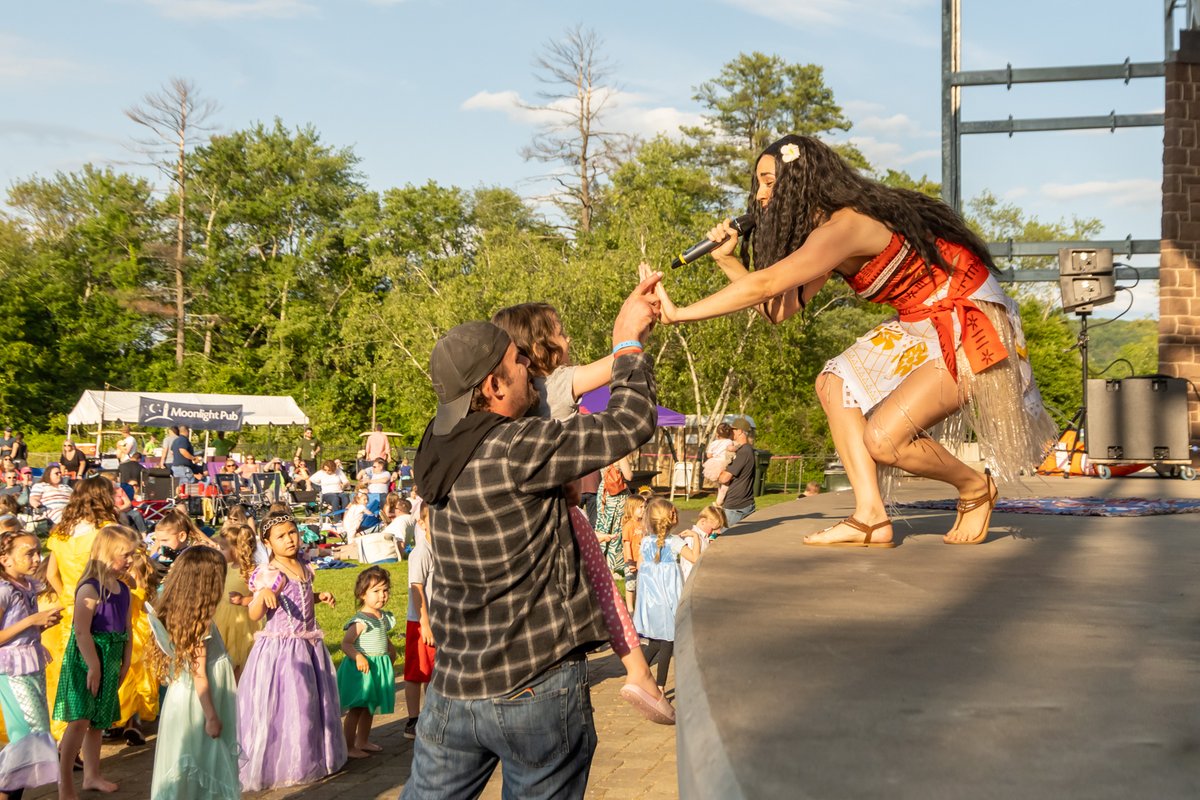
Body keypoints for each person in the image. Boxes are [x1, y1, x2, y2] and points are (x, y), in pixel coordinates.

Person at [652, 134, 1056, 547]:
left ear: (800, 180)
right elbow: (778, 309)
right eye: (759, 184)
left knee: (883, 440)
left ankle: (975, 488)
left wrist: (681, 313)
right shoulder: (827, 233)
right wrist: (727, 260)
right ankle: (871, 517)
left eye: (769, 182)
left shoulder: (845, 227)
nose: (760, 195)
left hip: (964, 322)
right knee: (834, 383)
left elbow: (767, 284)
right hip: (921, 321)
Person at [402, 271, 661, 799]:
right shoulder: (518, 448)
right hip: (533, 686)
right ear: (493, 387)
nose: (535, 373)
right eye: (521, 364)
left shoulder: (434, 447)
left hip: (453, 690)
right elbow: (630, 421)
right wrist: (628, 341)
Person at [492, 301, 673, 724]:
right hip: (564, 512)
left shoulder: (506, 399)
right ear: (540, 343)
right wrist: (635, 328)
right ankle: (639, 673)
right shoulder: (559, 382)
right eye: (560, 330)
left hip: (525, 515)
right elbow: (618, 363)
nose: (568, 339)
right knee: (606, 589)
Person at [236, 511, 346, 791]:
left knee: (313, 702)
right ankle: (289, 761)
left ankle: (314, 755)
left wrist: (318, 597)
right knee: (294, 703)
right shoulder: (270, 573)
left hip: (308, 643)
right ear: (268, 542)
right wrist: (262, 596)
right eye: (281, 536)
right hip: (283, 648)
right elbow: (253, 613)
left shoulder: (303, 566)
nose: (289, 539)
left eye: (292, 533)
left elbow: (302, 596)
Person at [147, 545, 240, 800]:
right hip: (201, 703)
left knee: (187, 759)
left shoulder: (180, 613)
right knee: (204, 760)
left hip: (183, 697)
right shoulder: (200, 623)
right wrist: (211, 716)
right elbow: (200, 675)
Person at [53, 526, 137, 800]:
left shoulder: (123, 588)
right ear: (107, 553)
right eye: (126, 555)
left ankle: (92, 775)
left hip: (111, 656)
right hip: (87, 658)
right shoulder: (89, 588)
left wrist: (125, 661)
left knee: (98, 722)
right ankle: (64, 783)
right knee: (79, 720)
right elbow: (81, 631)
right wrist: (94, 665)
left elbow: (127, 626)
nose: (130, 560)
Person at [41, 476, 119, 742]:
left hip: (70, 609)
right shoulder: (106, 530)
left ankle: (64, 732)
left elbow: (51, 573)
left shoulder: (60, 531)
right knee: (95, 673)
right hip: (99, 608)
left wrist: (67, 598)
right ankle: (82, 739)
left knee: (69, 674)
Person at [0, 529, 63, 798]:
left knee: (35, 734)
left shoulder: (26, 586)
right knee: (27, 735)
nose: (37, 558)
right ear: (6, 559)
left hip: (31, 664)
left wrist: (42, 626)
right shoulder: (3, 590)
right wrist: (30, 622)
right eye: (29, 553)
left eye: (39, 552)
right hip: (12, 670)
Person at [337, 566, 398, 758]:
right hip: (362, 669)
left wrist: (390, 648)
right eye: (376, 591)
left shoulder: (382, 617)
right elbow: (346, 644)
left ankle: (362, 740)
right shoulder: (361, 620)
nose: (382, 595)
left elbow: (382, 636)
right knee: (357, 708)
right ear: (363, 594)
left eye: (385, 590)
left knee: (369, 707)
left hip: (377, 667)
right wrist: (358, 657)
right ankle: (348, 746)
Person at [632, 498, 690, 691]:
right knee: (668, 641)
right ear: (672, 518)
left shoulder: (646, 542)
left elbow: (640, 566)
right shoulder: (675, 542)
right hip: (668, 601)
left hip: (651, 600)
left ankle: (637, 676)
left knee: (656, 642)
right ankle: (660, 687)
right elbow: (697, 559)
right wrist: (696, 540)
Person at [113, 535, 159, 747]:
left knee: (130, 679)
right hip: (141, 631)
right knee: (140, 679)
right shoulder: (142, 587)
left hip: (130, 633)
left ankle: (126, 721)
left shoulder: (124, 585)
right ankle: (133, 723)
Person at [211, 525, 261, 678]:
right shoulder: (225, 567)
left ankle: (238, 692)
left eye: (222, 548)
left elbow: (261, 598)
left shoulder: (252, 570)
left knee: (238, 661)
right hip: (222, 620)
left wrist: (244, 600)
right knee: (222, 658)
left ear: (237, 548)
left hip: (241, 625)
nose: (220, 552)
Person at [402, 506, 434, 740]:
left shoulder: (441, 548)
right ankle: (413, 719)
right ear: (422, 524)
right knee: (417, 671)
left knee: (433, 671)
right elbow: (416, 587)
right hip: (421, 621)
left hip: (438, 619)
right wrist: (424, 621)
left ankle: (432, 714)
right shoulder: (422, 552)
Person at [594, 452, 634, 578]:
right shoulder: (620, 454)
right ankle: (612, 568)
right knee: (616, 529)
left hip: (604, 493)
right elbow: (629, 476)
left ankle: (597, 563)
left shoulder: (603, 451)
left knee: (602, 528)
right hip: (617, 495)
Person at [719, 418, 758, 527]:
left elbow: (724, 478)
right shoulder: (746, 450)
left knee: (725, 539)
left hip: (736, 507)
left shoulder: (743, 452)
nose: (730, 432)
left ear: (740, 431)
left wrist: (720, 473)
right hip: (744, 504)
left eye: (733, 430)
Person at [679, 504, 726, 583]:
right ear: (703, 522)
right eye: (713, 529)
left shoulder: (704, 537)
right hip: (691, 581)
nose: (716, 532)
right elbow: (693, 562)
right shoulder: (691, 538)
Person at [619, 494, 649, 613]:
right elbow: (626, 545)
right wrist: (630, 561)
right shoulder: (629, 526)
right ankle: (630, 609)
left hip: (642, 560)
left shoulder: (644, 524)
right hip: (632, 561)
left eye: (644, 507)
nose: (643, 510)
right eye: (640, 507)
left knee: (640, 584)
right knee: (630, 585)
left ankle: (638, 606)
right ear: (632, 508)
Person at [703, 422, 736, 506]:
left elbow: (708, 455)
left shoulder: (713, 443)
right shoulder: (729, 441)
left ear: (717, 434)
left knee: (720, 483)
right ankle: (720, 501)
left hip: (714, 463)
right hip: (723, 463)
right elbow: (731, 450)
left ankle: (719, 499)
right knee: (725, 483)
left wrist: (714, 455)